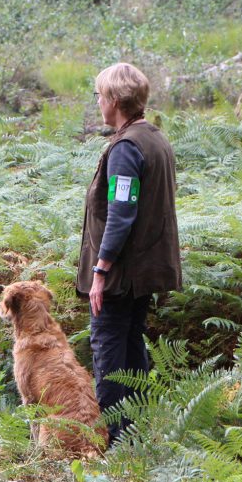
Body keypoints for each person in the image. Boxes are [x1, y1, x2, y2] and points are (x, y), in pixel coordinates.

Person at [76, 62, 182, 445]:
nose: (98, 103)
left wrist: (100, 271)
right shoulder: (154, 138)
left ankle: (112, 446)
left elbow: (121, 214)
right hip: (143, 274)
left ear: (116, 101)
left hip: (121, 277)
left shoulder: (125, 148)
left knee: (109, 359)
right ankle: (136, 440)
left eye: (100, 96)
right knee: (133, 360)